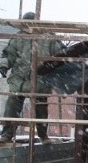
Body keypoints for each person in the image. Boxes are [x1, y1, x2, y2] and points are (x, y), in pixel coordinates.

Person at [0, 12, 65, 144]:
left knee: (41, 110)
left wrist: (58, 66)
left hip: (39, 80)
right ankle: (7, 134)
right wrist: (4, 65)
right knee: (12, 108)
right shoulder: (18, 38)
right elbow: (9, 54)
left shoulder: (50, 38)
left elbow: (60, 55)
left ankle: (43, 136)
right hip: (20, 80)